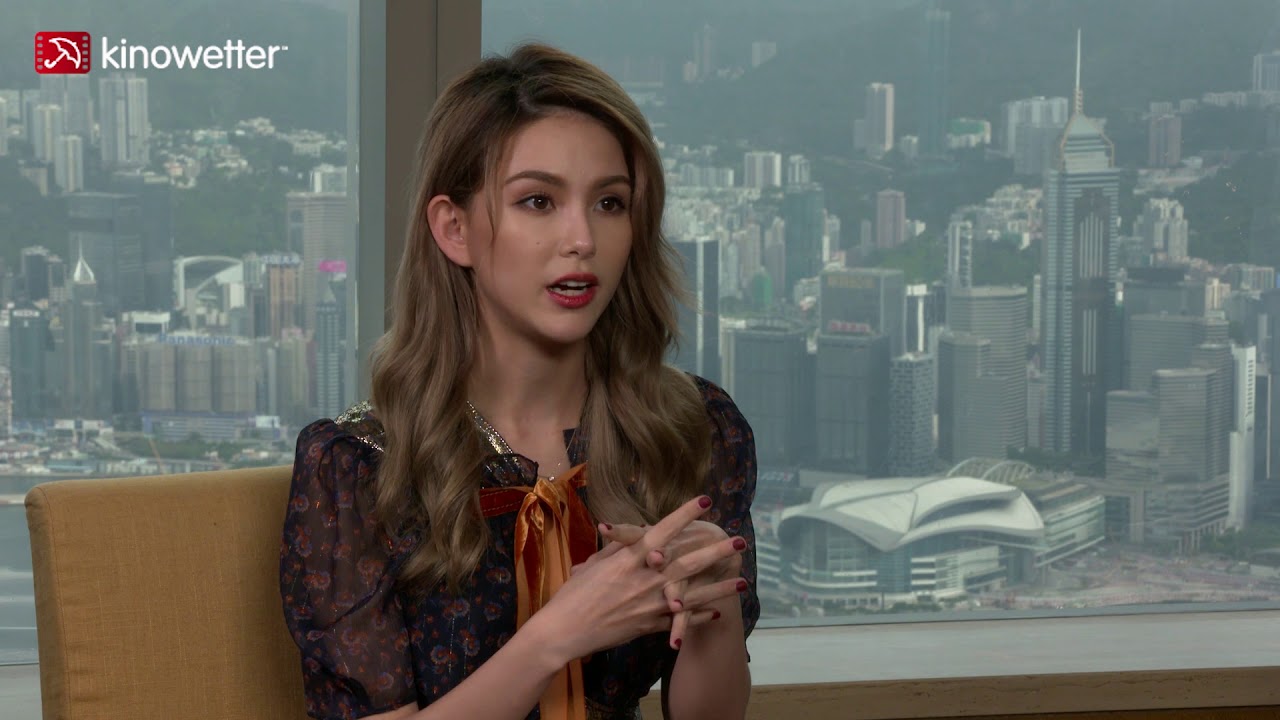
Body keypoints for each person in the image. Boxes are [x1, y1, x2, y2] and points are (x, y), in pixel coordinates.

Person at [280, 41, 759, 720]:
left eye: (610, 203)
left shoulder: (693, 428)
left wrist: (715, 604)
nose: (582, 239)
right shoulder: (358, 470)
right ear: (455, 229)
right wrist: (556, 636)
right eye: (539, 201)